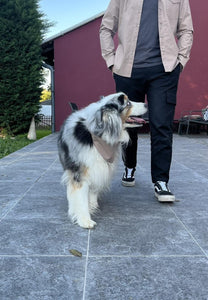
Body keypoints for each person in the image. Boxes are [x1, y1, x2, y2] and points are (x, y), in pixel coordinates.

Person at [99, 0, 193, 202]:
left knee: (161, 125)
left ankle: (161, 181)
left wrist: (181, 61)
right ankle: (129, 166)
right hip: (127, 71)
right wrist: (111, 61)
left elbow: (186, 29)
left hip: (165, 72)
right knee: (129, 125)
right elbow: (106, 27)